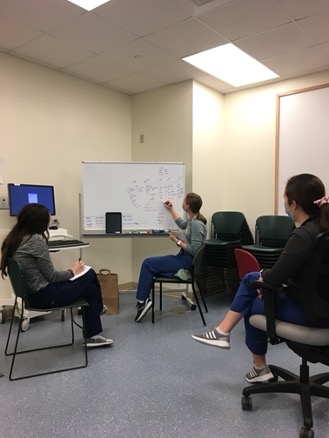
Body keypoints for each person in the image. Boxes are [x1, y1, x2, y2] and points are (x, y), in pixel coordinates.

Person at [192, 173, 329, 383]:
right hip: (321, 306)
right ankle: (223, 332)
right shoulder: (322, 230)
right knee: (252, 279)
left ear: (293, 204)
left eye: (285, 199)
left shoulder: (303, 235)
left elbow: (275, 277)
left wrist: (265, 277)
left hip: (311, 313)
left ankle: (257, 365)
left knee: (251, 298)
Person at [0, 203, 113, 348]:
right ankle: (97, 309)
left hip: (31, 296)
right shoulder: (36, 240)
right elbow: (52, 277)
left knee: (90, 290)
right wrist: (73, 270)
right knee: (90, 272)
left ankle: (93, 334)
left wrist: (71, 272)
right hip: (46, 297)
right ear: (39, 223)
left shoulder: (14, 239)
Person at [135, 192, 207, 322]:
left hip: (186, 262)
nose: (182, 202)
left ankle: (142, 302)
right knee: (152, 266)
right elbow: (181, 223)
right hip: (183, 259)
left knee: (148, 263)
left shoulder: (197, 224)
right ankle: (144, 300)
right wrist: (171, 208)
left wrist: (177, 240)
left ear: (187, 206)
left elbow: (195, 250)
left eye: (184, 201)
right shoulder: (192, 220)